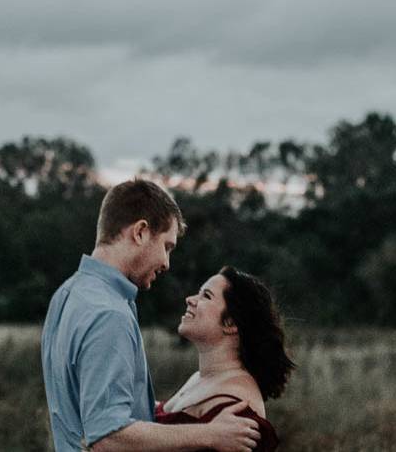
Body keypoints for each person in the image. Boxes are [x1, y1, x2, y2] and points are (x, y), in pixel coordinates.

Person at [41, 179, 262, 452]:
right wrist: (210, 434)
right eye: (167, 246)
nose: (167, 263)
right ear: (141, 232)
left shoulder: (66, 294)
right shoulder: (109, 314)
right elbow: (108, 436)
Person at [154, 266, 295, 452]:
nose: (190, 300)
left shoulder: (238, 409)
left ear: (230, 323)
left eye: (206, 296)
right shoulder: (200, 378)